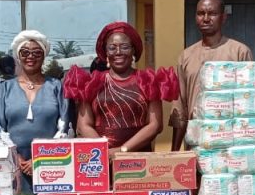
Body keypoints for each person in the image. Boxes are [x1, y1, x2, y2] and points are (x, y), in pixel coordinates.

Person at [65, 22, 178, 153]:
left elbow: (155, 125)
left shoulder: (148, 81)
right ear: (106, 52)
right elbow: (83, 125)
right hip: (100, 158)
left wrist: (122, 150)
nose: (118, 52)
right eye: (112, 48)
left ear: (133, 50)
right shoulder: (92, 82)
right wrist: (103, 151)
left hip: (138, 160)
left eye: (124, 47)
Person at [171, 0, 253, 150]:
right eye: (201, 13)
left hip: (231, 143)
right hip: (196, 141)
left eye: (212, 14)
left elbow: (248, 102)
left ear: (223, 17)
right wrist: (175, 152)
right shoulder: (186, 56)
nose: (206, 18)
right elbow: (180, 108)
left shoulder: (239, 52)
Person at [0, 30, 71, 192]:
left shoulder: (56, 86)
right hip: (14, 166)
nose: (31, 56)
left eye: (37, 52)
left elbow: (64, 127)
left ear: (43, 56)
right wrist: (17, 158)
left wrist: (40, 158)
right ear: (18, 56)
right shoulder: (5, 88)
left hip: (51, 165)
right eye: (25, 52)